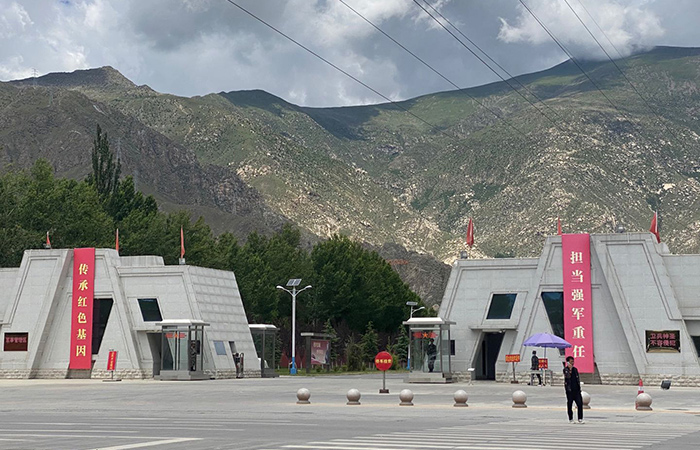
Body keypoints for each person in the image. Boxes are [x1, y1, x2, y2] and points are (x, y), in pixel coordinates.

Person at [563, 356, 584, 423]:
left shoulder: (575, 369)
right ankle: (571, 418)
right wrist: (570, 370)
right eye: (571, 361)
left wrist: (579, 388)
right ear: (568, 362)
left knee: (579, 404)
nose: (572, 363)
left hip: (576, 390)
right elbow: (568, 377)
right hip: (570, 390)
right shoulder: (565, 370)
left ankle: (580, 418)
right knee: (570, 404)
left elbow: (577, 379)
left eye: (573, 361)